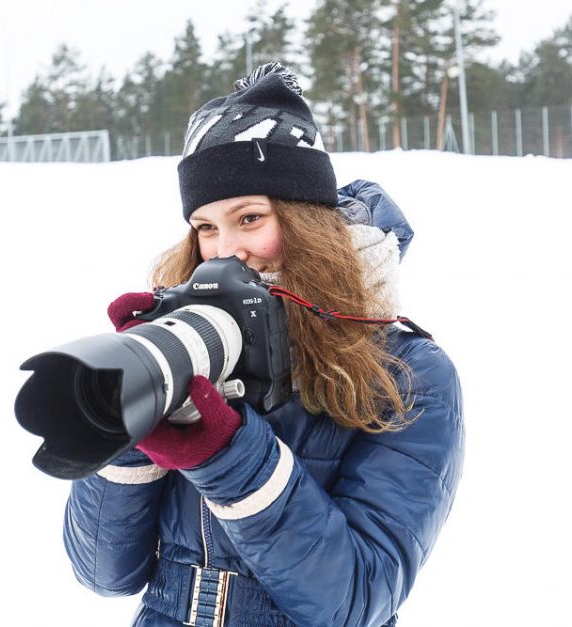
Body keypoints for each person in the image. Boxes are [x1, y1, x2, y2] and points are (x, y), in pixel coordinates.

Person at [62, 62, 464, 627]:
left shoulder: (405, 374)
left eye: (249, 218)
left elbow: (355, 600)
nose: (225, 251)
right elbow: (104, 574)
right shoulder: (190, 343)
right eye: (205, 227)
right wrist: (133, 414)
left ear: (308, 224)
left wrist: (228, 455)